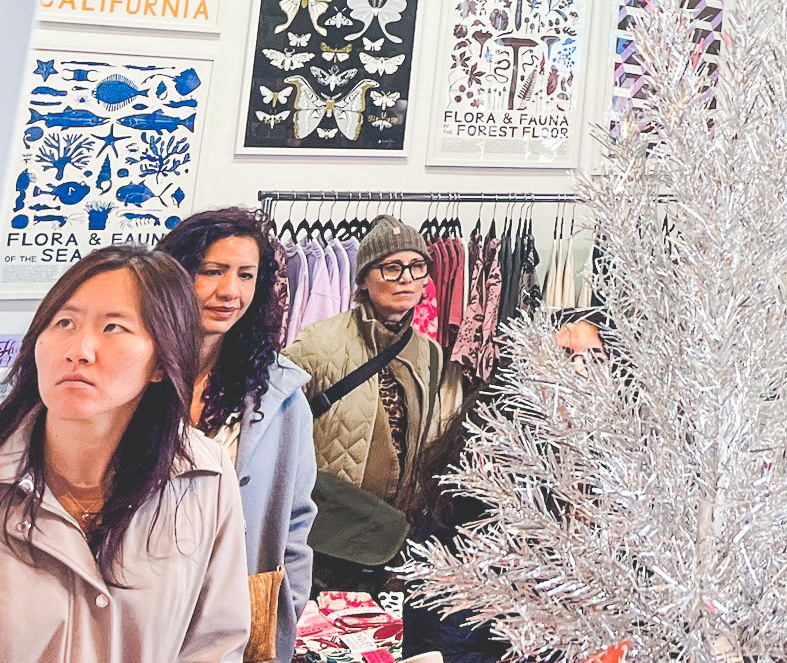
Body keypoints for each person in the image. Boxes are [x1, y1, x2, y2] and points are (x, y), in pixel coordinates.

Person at [0, 246, 250, 662]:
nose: (79, 349)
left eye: (113, 327)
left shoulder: (204, 476)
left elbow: (215, 644)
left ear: (161, 361)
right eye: (64, 322)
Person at [160, 207, 318, 662]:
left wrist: (285, 609)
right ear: (175, 275)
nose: (231, 290)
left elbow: (296, 519)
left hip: (231, 614)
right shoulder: (132, 373)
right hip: (136, 602)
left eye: (246, 275)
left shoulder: (279, 394)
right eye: (213, 271)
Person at [286, 213, 463, 587]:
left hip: (390, 537)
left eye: (416, 267)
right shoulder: (318, 342)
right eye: (391, 268)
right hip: (324, 535)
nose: (406, 279)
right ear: (364, 279)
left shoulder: (430, 353)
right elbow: (275, 430)